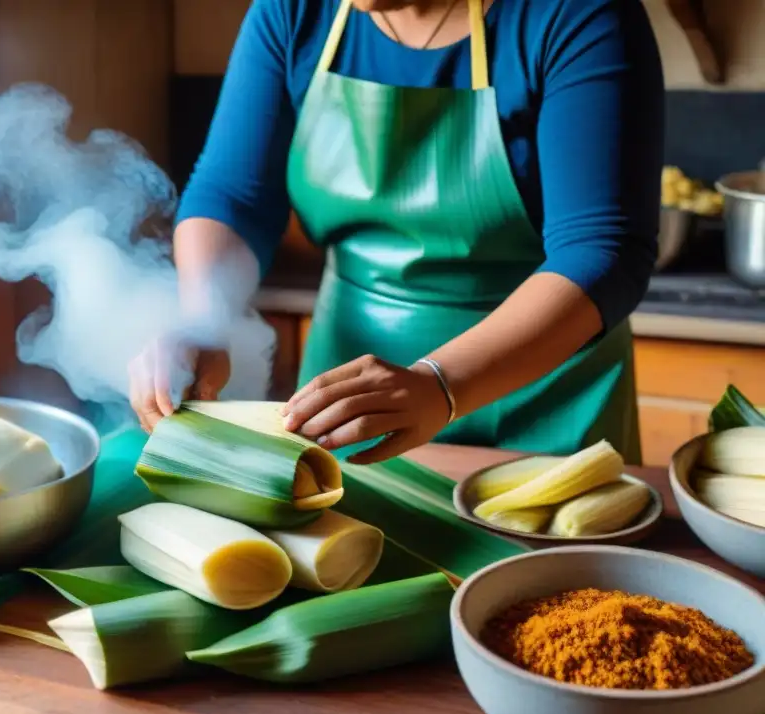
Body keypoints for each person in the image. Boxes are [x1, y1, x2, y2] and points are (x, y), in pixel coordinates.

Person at [128, 0, 664, 465]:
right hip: (348, 407)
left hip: (550, 395)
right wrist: (204, 317)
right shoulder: (293, 11)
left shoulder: (578, 12)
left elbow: (602, 250)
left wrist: (440, 385)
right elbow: (234, 197)